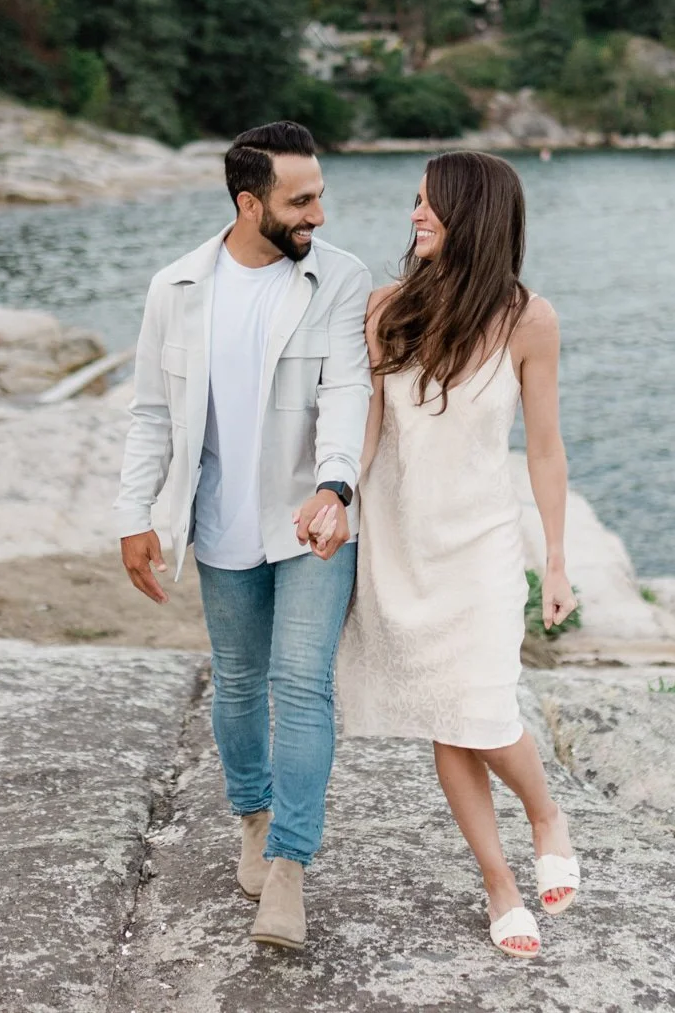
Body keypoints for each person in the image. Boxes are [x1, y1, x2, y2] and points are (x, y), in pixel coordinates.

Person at [113, 120, 372, 950]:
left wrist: (335, 484)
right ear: (248, 201)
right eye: (302, 201)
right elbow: (152, 412)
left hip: (314, 522)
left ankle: (290, 866)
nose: (320, 215)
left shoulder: (340, 279)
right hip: (220, 524)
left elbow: (348, 393)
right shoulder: (176, 289)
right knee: (236, 683)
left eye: (321, 194)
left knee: (301, 685)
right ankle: (253, 817)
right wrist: (134, 516)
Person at [329, 150, 579, 959]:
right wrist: (336, 498)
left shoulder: (528, 319)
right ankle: (499, 881)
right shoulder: (385, 309)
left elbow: (544, 449)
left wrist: (559, 560)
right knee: (447, 716)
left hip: (481, 547)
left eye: (431, 203)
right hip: (402, 545)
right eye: (414, 200)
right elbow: (368, 425)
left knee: (483, 708)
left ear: (475, 214)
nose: (414, 215)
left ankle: (546, 814)